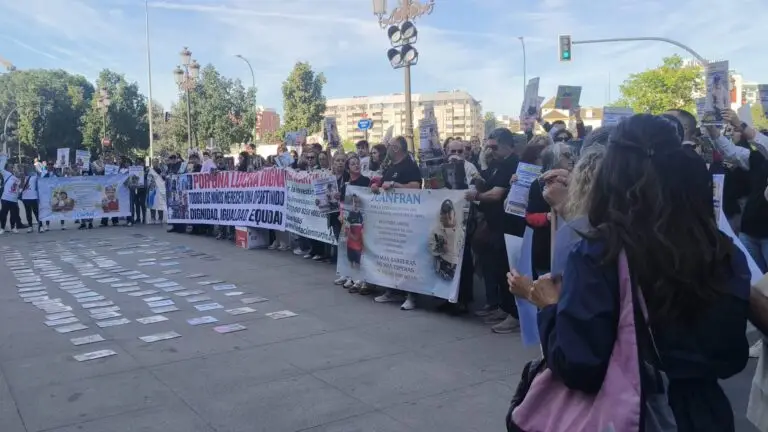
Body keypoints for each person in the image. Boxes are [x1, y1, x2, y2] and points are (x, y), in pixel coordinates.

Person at [508, 114, 750, 431]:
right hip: (704, 412)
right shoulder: (720, 250)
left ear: (613, 174)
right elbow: (732, 355)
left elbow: (579, 365)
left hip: (632, 415)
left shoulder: (600, 252)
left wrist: (550, 307)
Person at [467, 128, 525, 333]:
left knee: (507, 269)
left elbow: (496, 194)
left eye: (494, 147)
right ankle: (503, 307)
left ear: (508, 144)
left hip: (507, 226)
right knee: (497, 269)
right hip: (494, 225)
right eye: (488, 147)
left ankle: (514, 315)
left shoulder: (513, 164)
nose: (490, 151)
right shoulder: (496, 164)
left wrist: (475, 196)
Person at [371, 135, 422, 310]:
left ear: (396, 148)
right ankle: (391, 290)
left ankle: (411, 296)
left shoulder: (410, 166)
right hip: (390, 219)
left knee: (406, 256)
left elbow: (416, 187)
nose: (387, 148)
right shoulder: (391, 167)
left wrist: (396, 185)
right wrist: (377, 188)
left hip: (405, 221)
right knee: (391, 256)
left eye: (390, 145)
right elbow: (384, 184)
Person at [41, 161, 66, 231]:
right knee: (48, 210)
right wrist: (48, 174)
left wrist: (55, 173)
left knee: (60, 209)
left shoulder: (57, 172)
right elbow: (42, 180)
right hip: (48, 194)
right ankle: (47, 226)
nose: (50, 166)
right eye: (49, 164)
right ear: (47, 166)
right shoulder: (44, 172)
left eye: (51, 164)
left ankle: (62, 225)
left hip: (57, 193)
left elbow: (62, 179)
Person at [21, 168, 42, 233]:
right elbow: (21, 187)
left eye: (26, 170)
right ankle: (30, 226)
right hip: (25, 198)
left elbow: (40, 175)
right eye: (24, 170)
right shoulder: (23, 178)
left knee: (36, 212)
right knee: (28, 213)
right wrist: (22, 179)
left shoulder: (34, 177)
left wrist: (35, 169)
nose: (25, 171)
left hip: (33, 197)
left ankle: (40, 226)